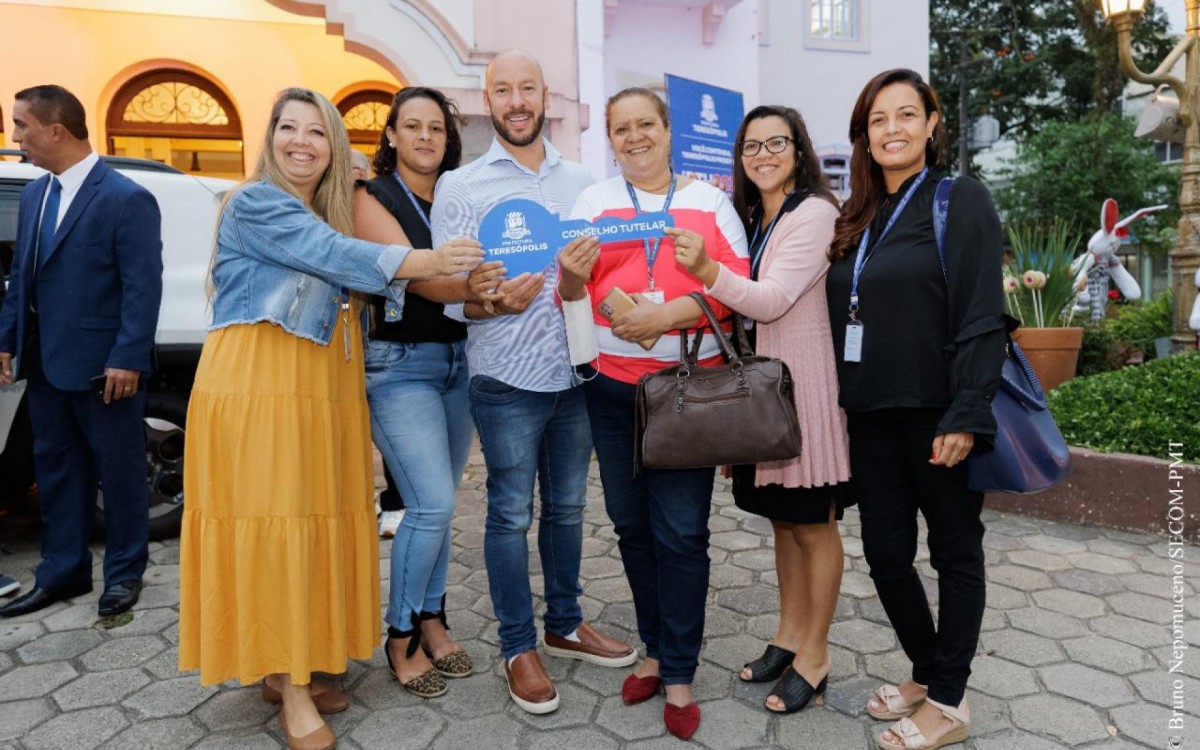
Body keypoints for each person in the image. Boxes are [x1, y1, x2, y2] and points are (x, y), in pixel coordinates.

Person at [177, 87, 482, 750]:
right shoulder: (256, 202)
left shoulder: (325, 208)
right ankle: (289, 688)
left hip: (317, 386)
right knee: (277, 523)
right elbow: (343, 259)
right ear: (271, 136)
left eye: (317, 133)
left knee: (313, 523)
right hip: (263, 386)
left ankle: (290, 665)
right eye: (288, 128)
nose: (301, 143)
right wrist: (427, 259)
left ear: (335, 147)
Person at [432, 50, 635, 716]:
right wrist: (490, 300)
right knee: (510, 515)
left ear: (546, 97)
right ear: (486, 100)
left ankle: (566, 623)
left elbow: (605, 272)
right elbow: (445, 294)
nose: (516, 100)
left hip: (575, 373)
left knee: (571, 509)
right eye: (502, 90)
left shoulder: (584, 182)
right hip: (504, 379)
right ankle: (519, 647)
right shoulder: (460, 187)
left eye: (527, 88)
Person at [557, 86, 749, 740]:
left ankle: (681, 674)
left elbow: (736, 290)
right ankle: (654, 649)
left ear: (668, 132)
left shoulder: (709, 204)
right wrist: (578, 285)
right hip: (612, 391)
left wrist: (662, 316)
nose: (634, 137)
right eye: (621, 129)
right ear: (609, 139)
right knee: (632, 530)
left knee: (681, 534)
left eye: (646, 125)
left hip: (687, 391)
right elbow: (569, 296)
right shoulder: (591, 204)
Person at [824, 69, 1004, 750]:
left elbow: (984, 312)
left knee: (955, 553)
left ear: (933, 124)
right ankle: (927, 672)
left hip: (937, 414)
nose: (891, 129)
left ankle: (950, 703)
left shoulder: (958, 200)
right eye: (877, 119)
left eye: (906, 114)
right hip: (869, 414)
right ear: (864, 137)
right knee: (886, 556)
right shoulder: (858, 215)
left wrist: (966, 412)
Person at [674, 104, 851, 715]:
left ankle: (817, 654)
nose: (764, 155)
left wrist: (705, 271)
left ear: (798, 151)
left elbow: (771, 301)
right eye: (751, 146)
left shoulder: (815, 214)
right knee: (782, 521)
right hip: (760, 393)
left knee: (812, 522)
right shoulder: (756, 216)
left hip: (803, 394)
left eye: (777, 143)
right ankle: (789, 635)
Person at [0, 85, 162, 619]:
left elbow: (143, 286)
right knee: (56, 473)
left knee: (118, 476)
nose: (16, 135)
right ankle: (63, 573)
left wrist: (128, 357)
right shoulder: (33, 194)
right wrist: (6, 343)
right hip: (46, 366)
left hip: (105, 370)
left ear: (55, 131)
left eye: (21, 125)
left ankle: (122, 577)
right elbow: (22, 279)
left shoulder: (125, 197)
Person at [352, 86, 483, 697]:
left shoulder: (459, 196)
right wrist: (487, 292)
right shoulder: (369, 195)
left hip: (459, 362)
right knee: (428, 503)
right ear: (392, 136)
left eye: (436, 127)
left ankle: (434, 619)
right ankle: (399, 634)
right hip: (398, 366)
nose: (426, 137)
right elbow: (419, 274)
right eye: (413, 126)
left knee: (441, 505)